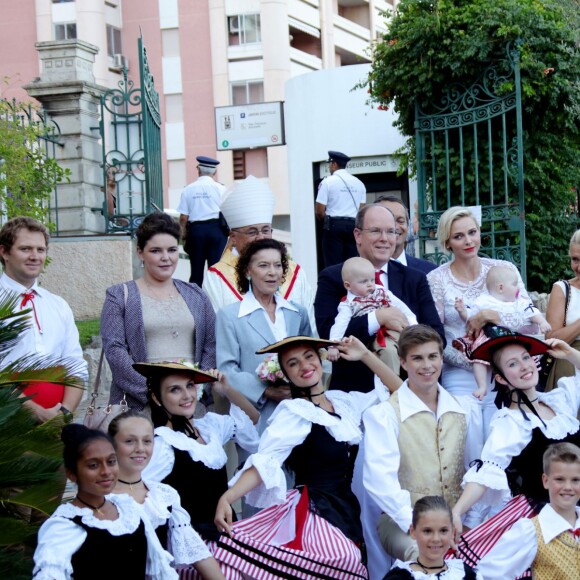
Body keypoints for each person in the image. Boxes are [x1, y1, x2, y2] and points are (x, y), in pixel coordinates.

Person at [212, 335, 400, 579]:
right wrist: (228, 497)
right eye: (293, 363)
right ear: (286, 374)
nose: (304, 366)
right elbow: (265, 462)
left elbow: (398, 392)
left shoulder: (344, 403)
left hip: (348, 508)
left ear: (320, 359)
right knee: (345, 562)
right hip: (314, 510)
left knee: (351, 564)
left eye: (309, 357)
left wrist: (365, 355)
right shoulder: (294, 412)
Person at [449, 330, 580, 567]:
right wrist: (457, 512)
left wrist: (570, 354)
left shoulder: (560, 401)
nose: (524, 366)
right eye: (512, 364)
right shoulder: (510, 422)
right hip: (545, 518)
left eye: (526, 358)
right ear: (500, 378)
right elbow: (488, 471)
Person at [360, 325, 481, 577]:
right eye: (417, 358)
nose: (427, 365)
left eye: (432, 356)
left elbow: (475, 470)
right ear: (403, 362)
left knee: (482, 557)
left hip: (456, 521)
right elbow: (379, 481)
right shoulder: (385, 415)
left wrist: (469, 521)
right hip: (403, 525)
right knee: (427, 558)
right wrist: (417, 527)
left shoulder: (464, 409)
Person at [427, 206, 536, 442]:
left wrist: (490, 316)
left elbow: (530, 323)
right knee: (469, 435)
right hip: (460, 371)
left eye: (472, 232)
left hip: (509, 369)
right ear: (447, 243)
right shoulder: (436, 279)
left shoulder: (504, 270)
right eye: (458, 236)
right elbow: (435, 337)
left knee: (508, 437)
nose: (468, 241)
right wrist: (474, 357)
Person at [315, 204, 445, 393]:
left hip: (410, 390)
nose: (384, 239)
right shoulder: (333, 277)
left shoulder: (414, 279)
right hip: (356, 390)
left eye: (390, 232)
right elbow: (328, 336)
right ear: (358, 235)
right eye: (376, 231)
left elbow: (437, 335)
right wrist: (378, 318)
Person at [101, 212, 216, 411]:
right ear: (140, 252)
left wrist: (195, 386)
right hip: (139, 406)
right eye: (156, 251)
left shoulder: (196, 294)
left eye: (171, 250)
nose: (166, 258)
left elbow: (211, 343)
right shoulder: (120, 296)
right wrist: (153, 392)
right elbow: (115, 350)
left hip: (189, 402)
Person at [33, 424, 177, 579]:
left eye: (111, 461)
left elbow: (157, 568)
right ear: (72, 474)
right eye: (93, 465)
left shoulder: (129, 510)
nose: (106, 472)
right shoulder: (63, 527)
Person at [139, 362, 259, 545]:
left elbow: (253, 419)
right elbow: (140, 495)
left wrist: (227, 390)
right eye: (175, 390)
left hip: (231, 532)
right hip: (198, 546)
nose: (187, 395)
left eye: (189, 386)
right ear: (156, 398)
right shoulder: (164, 443)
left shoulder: (210, 426)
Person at [108, 411, 226, 579]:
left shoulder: (163, 496)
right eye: (129, 441)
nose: (140, 448)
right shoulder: (100, 499)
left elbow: (197, 553)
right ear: (111, 445)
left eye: (147, 441)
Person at [216, 238, 311, 433]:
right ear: (247, 271)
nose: (272, 272)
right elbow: (226, 369)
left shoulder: (297, 312)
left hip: (300, 410)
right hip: (257, 414)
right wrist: (265, 390)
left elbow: (313, 356)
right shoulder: (230, 316)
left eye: (277, 265)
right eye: (263, 265)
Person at [0, 216, 87, 422]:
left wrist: (64, 414)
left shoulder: (58, 305)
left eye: (41, 250)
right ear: (4, 252)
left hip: (58, 424)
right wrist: (37, 412)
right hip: (8, 420)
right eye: (25, 249)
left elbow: (75, 365)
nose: (35, 256)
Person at [204, 175, 316, 332]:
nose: (261, 238)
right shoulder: (216, 277)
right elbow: (218, 331)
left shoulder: (294, 272)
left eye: (265, 230)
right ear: (233, 237)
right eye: (252, 232)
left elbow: (309, 325)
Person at [478, 442, 580, 578]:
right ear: (545, 481)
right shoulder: (531, 531)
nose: (568, 487)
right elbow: (488, 574)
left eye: (575, 480)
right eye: (560, 479)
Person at [454, 265, 551, 400]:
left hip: (512, 340)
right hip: (489, 337)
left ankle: (529, 387)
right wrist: (462, 311)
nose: (518, 288)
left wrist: (542, 322)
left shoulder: (519, 302)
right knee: (478, 358)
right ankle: (482, 386)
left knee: (525, 359)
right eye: (514, 284)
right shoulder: (484, 300)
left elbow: (531, 312)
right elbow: (471, 318)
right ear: (501, 288)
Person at [327, 256, 418, 376]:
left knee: (414, 347)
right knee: (388, 351)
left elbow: (402, 307)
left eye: (372, 280)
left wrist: (414, 326)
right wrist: (333, 344)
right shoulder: (348, 304)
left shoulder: (381, 291)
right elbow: (340, 324)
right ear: (348, 286)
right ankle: (392, 385)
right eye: (364, 281)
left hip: (396, 330)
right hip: (374, 338)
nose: (370, 285)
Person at [385, 496, 482, 580]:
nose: (436, 539)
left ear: (452, 532)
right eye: (427, 531)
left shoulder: (467, 575)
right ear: (413, 531)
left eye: (443, 531)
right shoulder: (399, 577)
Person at [178, 156, 228, 287]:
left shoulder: (188, 189)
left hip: (196, 231)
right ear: (214, 172)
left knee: (196, 271)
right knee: (216, 271)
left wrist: (184, 238)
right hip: (217, 231)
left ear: (198, 170)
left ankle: (195, 303)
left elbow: (183, 218)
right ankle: (215, 302)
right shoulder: (221, 189)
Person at [315, 150, 366, 267]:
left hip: (334, 225)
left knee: (333, 264)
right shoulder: (359, 183)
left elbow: (319, 211)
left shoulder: (327, 182)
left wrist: (327, 222)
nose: (329, 167)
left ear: (334, 164)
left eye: (329, 164)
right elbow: (361, 210)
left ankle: (335, 285)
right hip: (353, 226)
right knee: (352, 264)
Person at [545, 229, 580, 388]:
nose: (578, 267)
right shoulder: (562, 289)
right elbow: (552, 341)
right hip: (570, 369)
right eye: (575, 259)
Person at [375, 195, 436, 275]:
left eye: (400, 221)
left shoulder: (431, 272)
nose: (394, 227)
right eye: (387, 220)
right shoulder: (356, 272)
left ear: (407, 225)